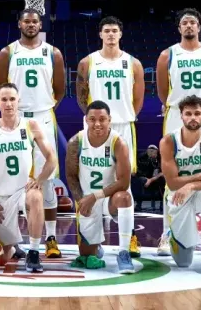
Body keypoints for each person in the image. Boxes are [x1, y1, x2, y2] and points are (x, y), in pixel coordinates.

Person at [0, 9, 66, 259]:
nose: (31, 24)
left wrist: (42, 108)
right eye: (26, 20)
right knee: (14, 180)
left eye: (35, 21)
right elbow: (0, 87)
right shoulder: (7, 52)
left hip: (43, 116)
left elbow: (60, 89)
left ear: (40, 24)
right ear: (19, 24)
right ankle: (13, 241)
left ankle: (51, 238)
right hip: (16, 117)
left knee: (45, 181)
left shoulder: (52, 52)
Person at [155, 8, 201, 255]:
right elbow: (163, 92)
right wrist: (179, 107)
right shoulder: (167, 55)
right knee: (171, 176)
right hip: (176, 113)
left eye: (193, 23)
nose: (188, 26)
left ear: (199, 27)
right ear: (179, 28)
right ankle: (168, 234)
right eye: (184, 23)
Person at [76, 16, 144, 256]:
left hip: (123, 125)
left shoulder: (133, 63)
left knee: (125, 184)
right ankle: (92, 234)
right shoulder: (88, 62)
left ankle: (130, 238)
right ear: (100, 34)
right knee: (91, 178)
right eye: (107, 31)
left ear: (120, 34)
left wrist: (122, 117)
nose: (111, 35)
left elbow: (138, 99)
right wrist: (97, 122)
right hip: (96, 126)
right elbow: (82, 97)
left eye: (115, 31)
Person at [0, 83, 57, 273]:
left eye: (12, 99)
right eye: (4, 99)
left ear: (18, 101)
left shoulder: (30, 126)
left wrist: (39, 180)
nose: (9, 104)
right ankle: (14, 247)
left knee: (36, 196)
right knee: (2, 257)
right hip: (1, 197)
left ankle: (34, 252)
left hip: (24, 191)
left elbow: (52, 158)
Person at [65, 101, 136, 273]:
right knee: (88, 256)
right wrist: (80, 200)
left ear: (109, 120)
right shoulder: (76, 142)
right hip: (87, 199)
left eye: (102, 119)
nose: (97, 124)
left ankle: (124, 253)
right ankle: (95, 247)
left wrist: (95, 196)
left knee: (125, 197)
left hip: (108, 198)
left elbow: (123, 182)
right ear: (86, 120)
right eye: (92, 119)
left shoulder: (118, 143)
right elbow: (71, 176)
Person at [159, 95, 201, 273]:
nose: (193, 118)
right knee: (183, 262)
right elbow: (172, 183)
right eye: (188, 114)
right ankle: (173, 235)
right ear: (181, 116)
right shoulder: (168, 141)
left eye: (197, 113)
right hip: (178, 196)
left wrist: (191, 185)